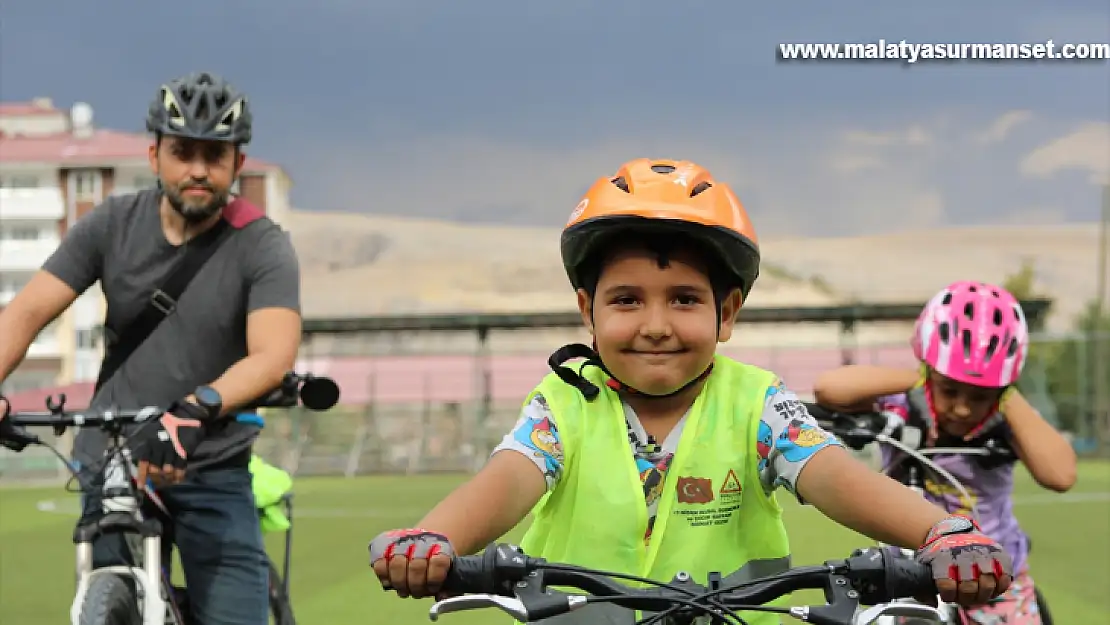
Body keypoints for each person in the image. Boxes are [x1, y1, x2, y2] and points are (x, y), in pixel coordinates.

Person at [367, 159, 1014, 624]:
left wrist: (943, 532)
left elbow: (838, 475)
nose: (655, 324)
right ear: (587, 310)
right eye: (626, 300)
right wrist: (433, 538)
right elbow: (507, 479)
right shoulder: (562, 403)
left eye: (684, 299)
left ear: (726, 311)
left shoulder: (759, 404)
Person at [0, 72, 301, 624]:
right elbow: (23, 313)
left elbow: (272, 355)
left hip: (212, 464)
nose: (197, 170)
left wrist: (194, 411)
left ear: (237, 165)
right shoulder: (111, 225)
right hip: (113, 463)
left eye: (215, 155)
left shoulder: (261, 244)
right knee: (104, 598)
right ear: (154, 154)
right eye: (182, 151)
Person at [814, 280, 1075, 624]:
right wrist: (919, 379)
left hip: (991, 579)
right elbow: (829, 389)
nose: (963, 409)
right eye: (950, 390)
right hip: (911, 575)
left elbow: (1060, 475)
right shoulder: (905, 403)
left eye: (980, 396)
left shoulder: (1008, 419)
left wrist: (1006, 395)